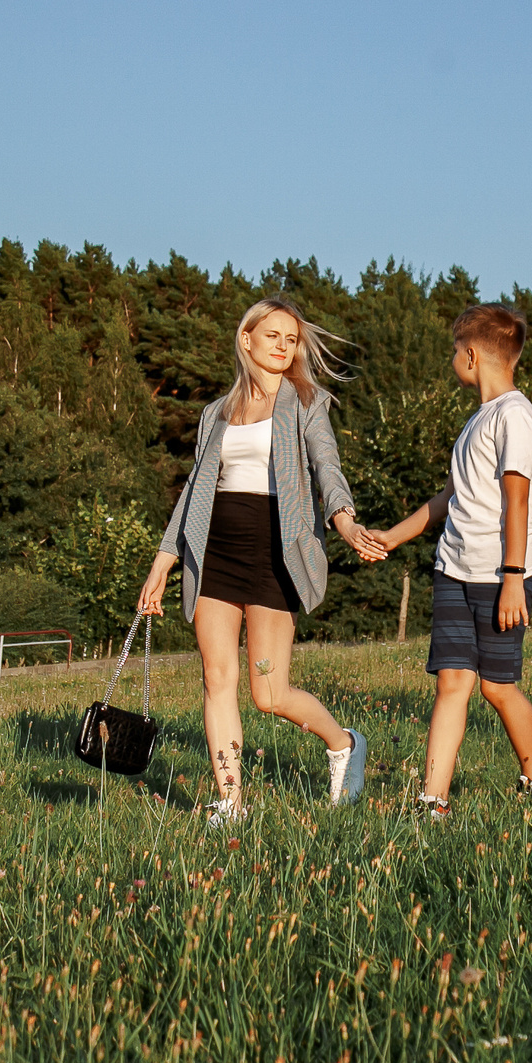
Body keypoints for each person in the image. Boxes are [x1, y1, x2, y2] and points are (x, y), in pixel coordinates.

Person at [135, 297, 389, 827]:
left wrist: (344, 522)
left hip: (277, 552)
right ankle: (230, 803)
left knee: (268, 692)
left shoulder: (307, 401)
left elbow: (326, 467)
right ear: (246, 339)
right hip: (217, 551)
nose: (283, 346)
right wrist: (164, 562)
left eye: (291, 339)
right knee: (216, 678)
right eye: (272, 335)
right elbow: (194, 494)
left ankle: (344, 744)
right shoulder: (216, 413)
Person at [366, 303, 532, 819]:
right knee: (452, 682)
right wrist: (391, 538)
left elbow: (518, 500)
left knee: (497, 687)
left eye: (454, 350)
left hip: (501, 576)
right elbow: (448, 499)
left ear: (471, 355)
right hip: (453, 569)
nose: (452, 359)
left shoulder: (516, 416)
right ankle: (433, 800)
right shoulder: (477, 421)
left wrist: (513, 578)